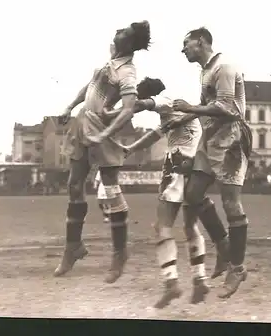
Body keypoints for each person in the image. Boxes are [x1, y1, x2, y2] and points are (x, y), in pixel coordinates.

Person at [54, 20, 151, 283]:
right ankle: (73, 247)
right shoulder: (109, 62)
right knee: (74, 185)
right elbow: (89, 87)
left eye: (125, 32)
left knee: (110, 191)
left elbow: (129, 108)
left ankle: (120, 253)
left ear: (129, 42)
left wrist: (107, 133)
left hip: (100, 128)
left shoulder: (128, 72)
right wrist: (69, 106)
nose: (119, 31)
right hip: (82, 123)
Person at [106, 77, 210, 308]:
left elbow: (146, 105)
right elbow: (155, 134)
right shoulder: (175, 108)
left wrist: (123, 108)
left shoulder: (164, 102)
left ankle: (171, 282)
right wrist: (130, 148)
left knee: (162, 226)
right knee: (190, 225)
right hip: (196, 167)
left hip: (177, 165)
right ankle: (200, 278)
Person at [168, 26, 252, 299]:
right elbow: (211, 107)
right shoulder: (205, 71)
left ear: (201, 41)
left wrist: (189, 108)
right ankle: (224, 247)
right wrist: (184, 118)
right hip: (211, 139)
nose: (183, 49)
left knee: (231, 203)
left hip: (232, 140)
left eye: (186, 43)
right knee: (192, 196)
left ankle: (237, 268)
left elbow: (228, 109)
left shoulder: (224, 67)